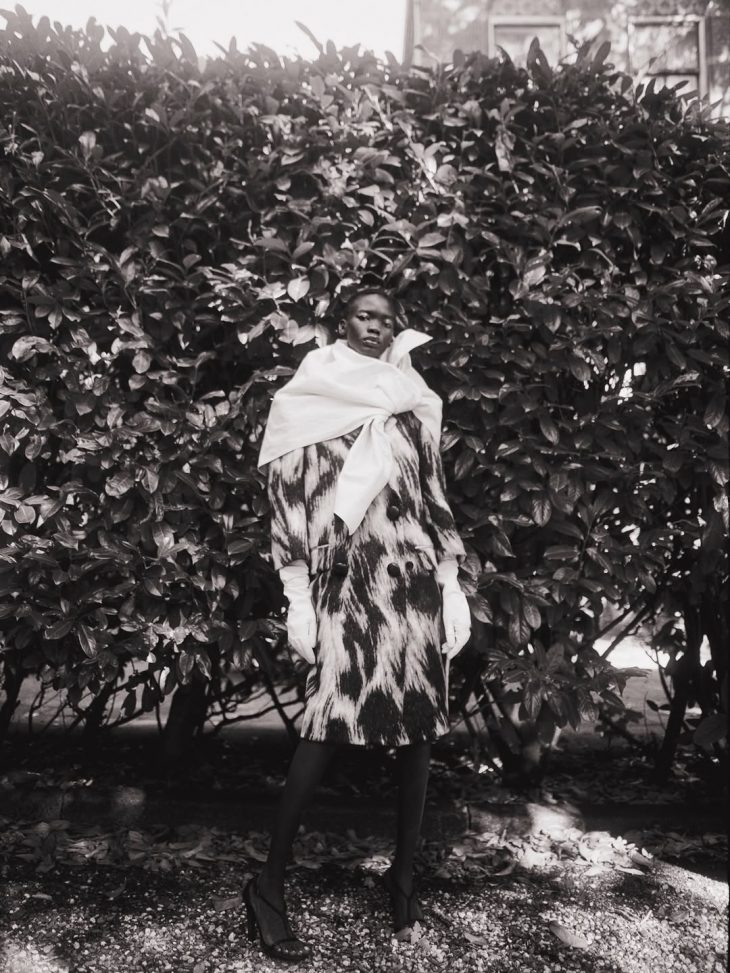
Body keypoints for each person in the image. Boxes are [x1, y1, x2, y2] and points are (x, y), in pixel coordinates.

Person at [245, 287, 472, 961]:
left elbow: (432, 496)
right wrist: (295, 595)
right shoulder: (306, 395)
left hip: (414, 584)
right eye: (365, 315)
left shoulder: (409, 399)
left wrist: (452, 586)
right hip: (345, 586)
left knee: (420, 731)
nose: (377, 326)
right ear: (341, 322)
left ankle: (403, 882)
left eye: (387, 319)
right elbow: (288, 502)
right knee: (324, 726)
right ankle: (268, 885)